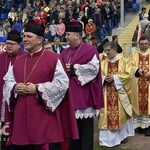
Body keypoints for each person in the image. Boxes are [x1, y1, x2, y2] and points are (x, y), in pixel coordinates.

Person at [2, 21, 78, 150]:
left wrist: (37, 89)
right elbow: (7, 82)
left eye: (29, 36)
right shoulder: (18, 61)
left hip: (44, 119)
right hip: (22, 120)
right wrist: (15, 87)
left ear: (40, 40)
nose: (25, 39)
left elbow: (62, 85)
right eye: (24, 36)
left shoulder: (54, 59)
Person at [61, 20, 104, 150]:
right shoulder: (64, 52)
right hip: (68, 97)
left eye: (68, 34)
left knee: (84, 132)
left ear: (77, 35)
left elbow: (93, 69)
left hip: (83, 97)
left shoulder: (90, 50)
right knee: (70, 132)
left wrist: (73, 69)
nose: (66, 37)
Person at [98, 41, 139, 147]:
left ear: (115, 50)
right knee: (105, 115)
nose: (106, 53)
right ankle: (106, 141)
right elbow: (99, 77)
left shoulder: (125, 61)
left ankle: (122, 136)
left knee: (121, 115)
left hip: (120, 94)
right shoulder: (103, 63)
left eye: (108, 51)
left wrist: (115, 78)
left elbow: (129, 76)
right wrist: (104, 79)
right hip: (106, 93)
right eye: (105, 51)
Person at [0, 29, 25, 150]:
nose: (8, 46)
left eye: (12, 44)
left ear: (19, 45)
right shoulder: (1, 58)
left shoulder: (25, 57)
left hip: (18, 100)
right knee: (5, 130)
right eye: (7, 43)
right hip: (2, 100)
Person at [128, 36, 150, 136]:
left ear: (148, 43)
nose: (144, 46)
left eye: (145, 44)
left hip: (148, 84)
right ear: (139, 44)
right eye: (142, 44)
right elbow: (128, 67)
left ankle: (148, 127)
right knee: (138, 104)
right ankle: (139, 126)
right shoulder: (133, 54)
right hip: (137, 84)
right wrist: (137, 70)